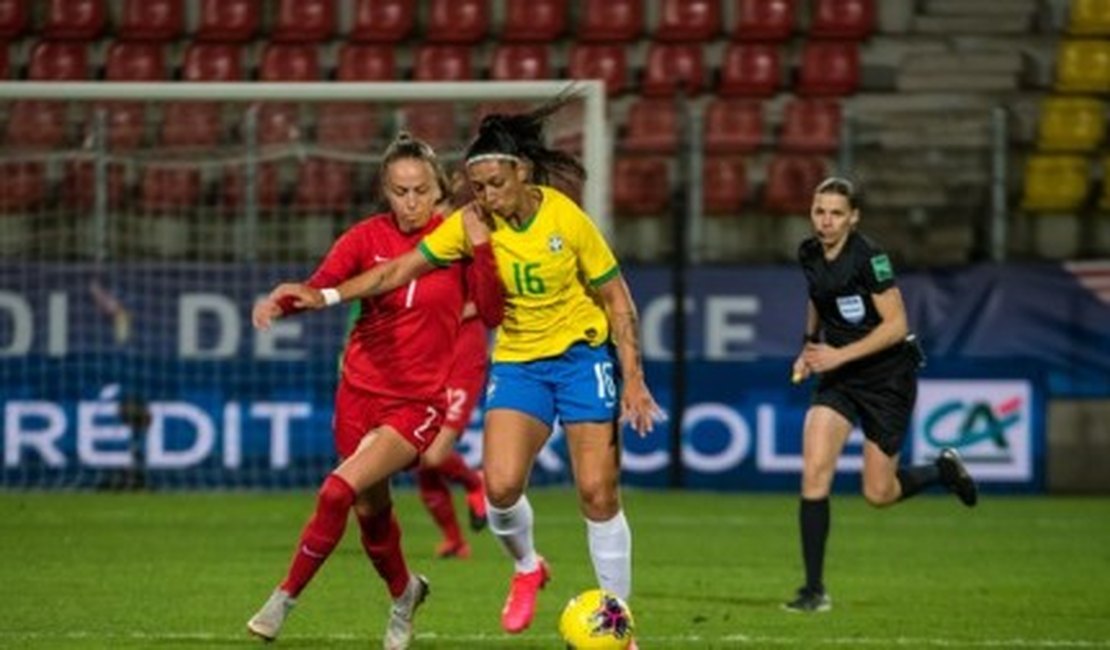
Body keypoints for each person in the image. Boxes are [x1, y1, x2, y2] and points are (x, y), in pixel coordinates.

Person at [268, 96, 664, 639]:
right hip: (521, 362)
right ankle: (528, 568)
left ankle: (617, 625)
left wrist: (634, 379)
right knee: (499, 488)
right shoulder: (471, 223)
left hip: (580, 357)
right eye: (476, 188)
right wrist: (327, 295)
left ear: (521, 174)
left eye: (495, 185)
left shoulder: (565, 219)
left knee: (597, 492)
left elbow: (617, 298)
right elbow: (397, 272)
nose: (485, 197)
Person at [246, 133, 503, 650]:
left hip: (415, 403)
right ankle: (405, 594)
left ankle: (283, 599)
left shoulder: (457, 243)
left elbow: (494, 313)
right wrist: (283, 302)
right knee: (369, 512)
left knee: (335, 490)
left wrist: (481, 248)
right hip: (358, 394)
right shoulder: (364, 238)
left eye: (420, 191)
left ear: (438, 191)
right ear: (385, 191)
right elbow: (321, 288)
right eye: (399, 191)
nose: (410, 203)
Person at [785, 176, 979, 613]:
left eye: (836, 213)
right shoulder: (808, 252)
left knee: (879, 493)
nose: (826, 221)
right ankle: (813, 591)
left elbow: (895, 326)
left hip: (886, 378)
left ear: (853, 217)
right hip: (839, 377)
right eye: (820, 211)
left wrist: (837, 356)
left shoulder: (870, 259)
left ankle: (942, 472)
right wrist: (808, 346)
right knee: (814, 472)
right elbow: (818, 295)